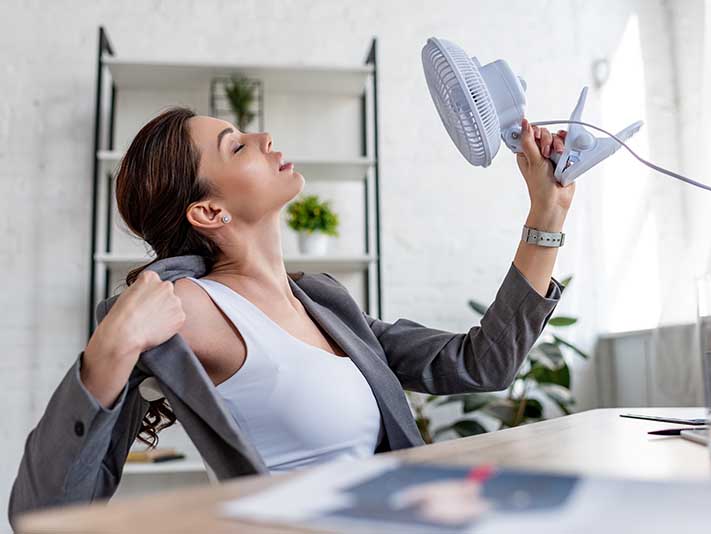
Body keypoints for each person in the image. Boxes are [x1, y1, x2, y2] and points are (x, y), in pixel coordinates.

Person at [8, 107, 572, 525]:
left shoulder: (326, 304)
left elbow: (481, 365)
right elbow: (42, 514)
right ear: (209, 210)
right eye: (235, 146)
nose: (264, 136)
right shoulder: (189, 307)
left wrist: (545, 212)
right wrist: (105, 354)